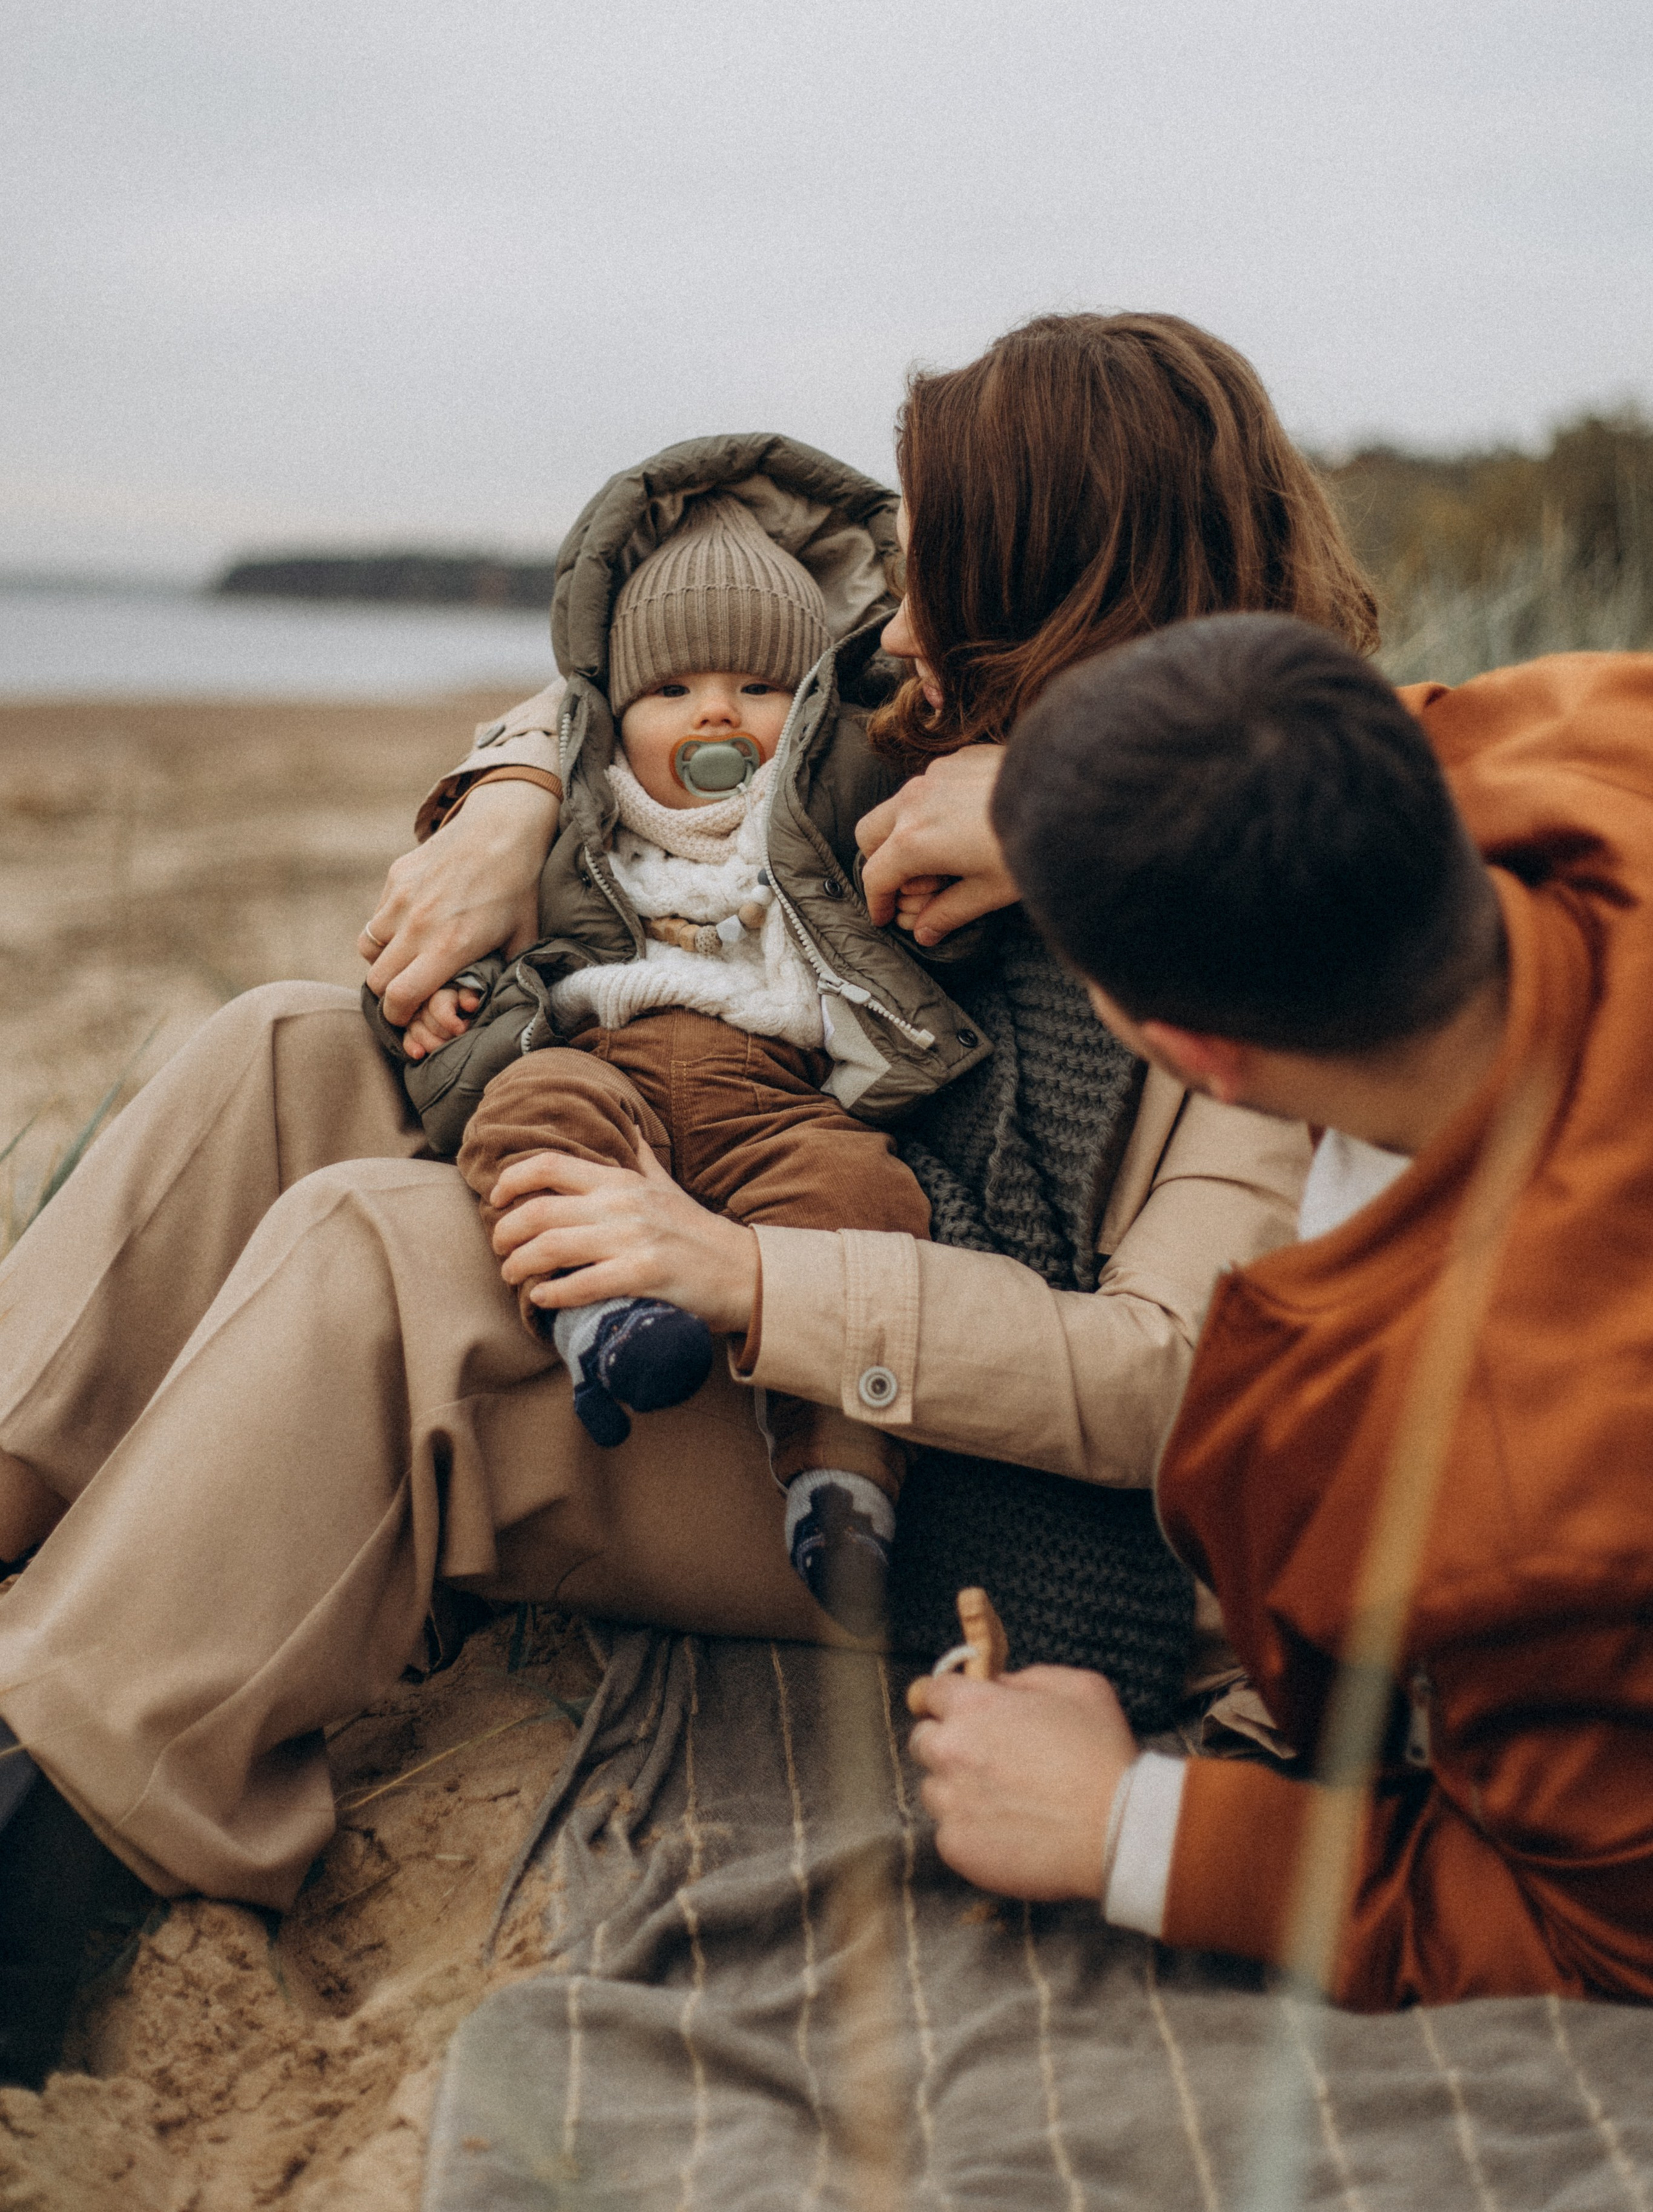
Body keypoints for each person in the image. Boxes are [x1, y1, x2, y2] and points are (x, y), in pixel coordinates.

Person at [0, 319, 1355, 2085]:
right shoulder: (939, 716)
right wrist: (515, 790)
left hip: (948, 1479)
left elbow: (1167, 1380)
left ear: (1047, 577)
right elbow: (668, 646)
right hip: (782, 1186)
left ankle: (67, 1827)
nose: (901, 594)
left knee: (386, 1249)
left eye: (945, 546)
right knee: (285, 1049)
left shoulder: (1279, 902)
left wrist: (745, 1276)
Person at [909, 613, 1653, 2011]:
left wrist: (1132, 1827)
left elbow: (1604, 1932)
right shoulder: (1592, 728)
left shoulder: (1505, 1501)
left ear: (1193, 1054)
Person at [384, 489, 953, 1634]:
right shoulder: (581, 814)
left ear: (802, 707)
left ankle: (837, 1479)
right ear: (616, 706)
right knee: (528, 1110)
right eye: (673, 690)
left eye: (756, 688)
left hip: (777, 1094)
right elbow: (503, 942)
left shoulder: (824, 801)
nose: (716, 717)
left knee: (866, 1197)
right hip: (614, 1069)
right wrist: (460, 993)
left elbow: (902, 771)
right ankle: (604, 1321)